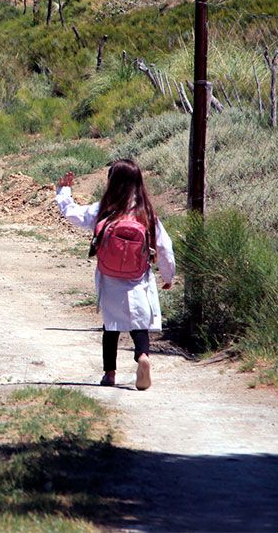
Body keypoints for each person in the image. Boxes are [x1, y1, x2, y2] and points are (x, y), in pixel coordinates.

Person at [54, 160, 175, 390]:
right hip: (138, 278)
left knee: (111, 326)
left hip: (109, 278)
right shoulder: (146, 213)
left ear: (112, 182)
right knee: (140, 323)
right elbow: (165, 247)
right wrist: (168, 276)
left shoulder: (104, 210)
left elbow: (73, 214)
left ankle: (109, 374)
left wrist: (64, 192)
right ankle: (142, 357)